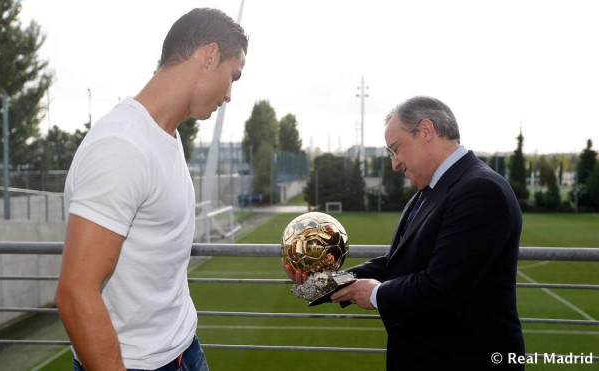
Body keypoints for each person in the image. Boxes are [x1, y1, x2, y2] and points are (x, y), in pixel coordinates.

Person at [55, 8, 248, 371]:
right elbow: (75, 294)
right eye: (233, 76)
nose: (229, 95)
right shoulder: (122, 145)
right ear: (208, 56)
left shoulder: (166, 135)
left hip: (183, 349)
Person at [284, 96, 525, 370]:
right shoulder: (430, 191)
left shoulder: (480, 190)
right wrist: (320, 284)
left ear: (426, 131)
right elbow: (397, 263)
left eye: (396, 149)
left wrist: (376, 295)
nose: (394, 164)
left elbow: (444, 287)